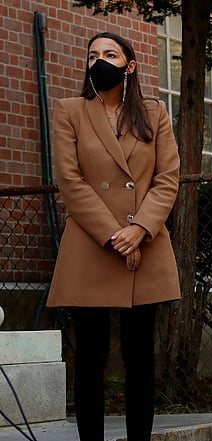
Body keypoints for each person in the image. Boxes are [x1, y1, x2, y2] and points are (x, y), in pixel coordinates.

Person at [46, 31, 181, 441]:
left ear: (130, 65)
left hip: (147, 243)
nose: (99, 61)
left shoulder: (154, 113)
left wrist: (139, 228)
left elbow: (167, 178)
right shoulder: (69, 110)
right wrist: (114, 235)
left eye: (109, 54)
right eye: (92, 55)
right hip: (92, 244)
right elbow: (70, 182)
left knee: (140, 357)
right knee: (90, 356)